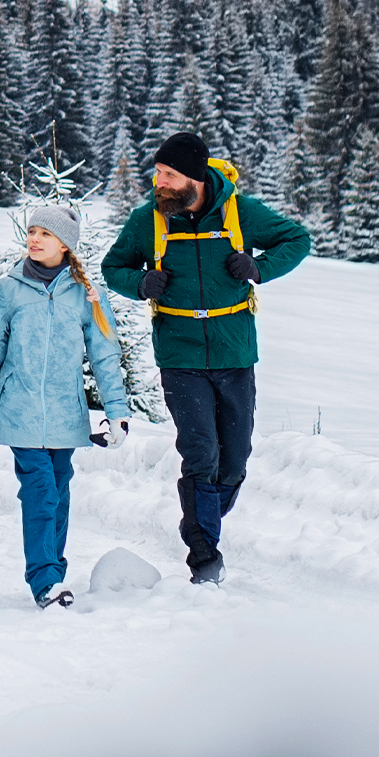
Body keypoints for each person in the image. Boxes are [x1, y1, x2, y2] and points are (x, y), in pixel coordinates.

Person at [102, 132, 311, 584]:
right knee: (200, 453)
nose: (159, 182)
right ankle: (205, 560)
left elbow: (297, 239)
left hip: (235, 351)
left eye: (169, 175)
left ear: (195, 179)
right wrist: (140, 284)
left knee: (234, 461)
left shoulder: (239, 212)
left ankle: (203, 519)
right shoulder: (148, 220)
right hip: (180, 354)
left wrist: (259, 268)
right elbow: (112, 267)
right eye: (158, 172)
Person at [0, 205, 132, 609]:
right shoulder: (9, 289)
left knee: (60, 489)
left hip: (66, 412)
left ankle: (53, 571)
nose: (34, 239)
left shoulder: (88, 294)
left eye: (45, 234)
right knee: (41, 489)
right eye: (32, 231)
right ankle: (45, 580)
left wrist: (116, 411)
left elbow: (105, 355)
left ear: (65, 244)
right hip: (19, 409)